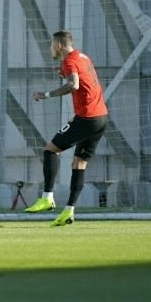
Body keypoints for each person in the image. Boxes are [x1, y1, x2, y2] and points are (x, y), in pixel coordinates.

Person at [28, 30, 109, 226]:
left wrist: (45, 95)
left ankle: (47, 197)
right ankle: (68, 211)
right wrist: (64, 71)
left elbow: (73, 85)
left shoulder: (69, 61)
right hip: (101, 117)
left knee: (50, 150)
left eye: (50, 45)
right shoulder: (82, 56)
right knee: (79, 163)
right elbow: (84, 79)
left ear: (58, 46)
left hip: (87, 118)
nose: (50, 49)